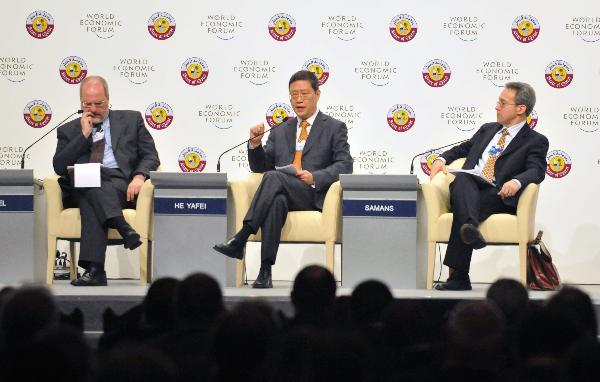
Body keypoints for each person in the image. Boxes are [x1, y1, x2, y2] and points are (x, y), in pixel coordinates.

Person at [213, 70, 353, 288]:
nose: (298, 99)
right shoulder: (281, 129)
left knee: (273, 178)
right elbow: (261, 167)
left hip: (311, 194)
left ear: (317, 94)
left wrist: (314, 177)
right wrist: (255, 144)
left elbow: (345, 165)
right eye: (293, 94)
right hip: (282, 190)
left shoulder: (334, 127)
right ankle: (264, 272)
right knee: (275, 199)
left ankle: (242, 236)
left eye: (304, 94)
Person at [429, 82, 549, 291]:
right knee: (463, 179)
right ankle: (470, 228)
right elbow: (462, 149)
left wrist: (516, 181)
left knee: (463, 206)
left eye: (503, 103)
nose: (496, 107)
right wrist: (441, 159)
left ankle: (459, 278)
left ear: (521, 109)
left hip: (498, 194)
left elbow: (536, 170)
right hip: (467, 187)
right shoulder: (488, 129)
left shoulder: (535, 141)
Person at [53, 75, 160, 286]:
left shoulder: (131, 119)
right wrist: (83, 136)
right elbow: (59, 166)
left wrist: (139, 176)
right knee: (89, 178)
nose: (93, 108)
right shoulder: (68, 130)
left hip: (119, 184)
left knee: (91, 194)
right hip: (81, 183)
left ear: (108, 100)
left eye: (99, 103)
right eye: (87, 104)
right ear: (81, 103)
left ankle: (95, 271)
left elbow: (150, 155)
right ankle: (122, 225)